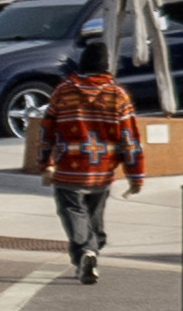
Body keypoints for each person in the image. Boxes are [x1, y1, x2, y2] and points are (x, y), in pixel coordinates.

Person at [32, 37, 149, 283]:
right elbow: (130, 139)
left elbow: (46, 130)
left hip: (69, 169)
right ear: (106, 66)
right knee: (94, 217)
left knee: (73, 211)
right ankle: (91, 251)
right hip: (102, 171)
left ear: (82, 63)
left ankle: (86, 252)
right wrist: (136, 175)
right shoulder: (118, 95)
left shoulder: (63, 90)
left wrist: (45, 162)